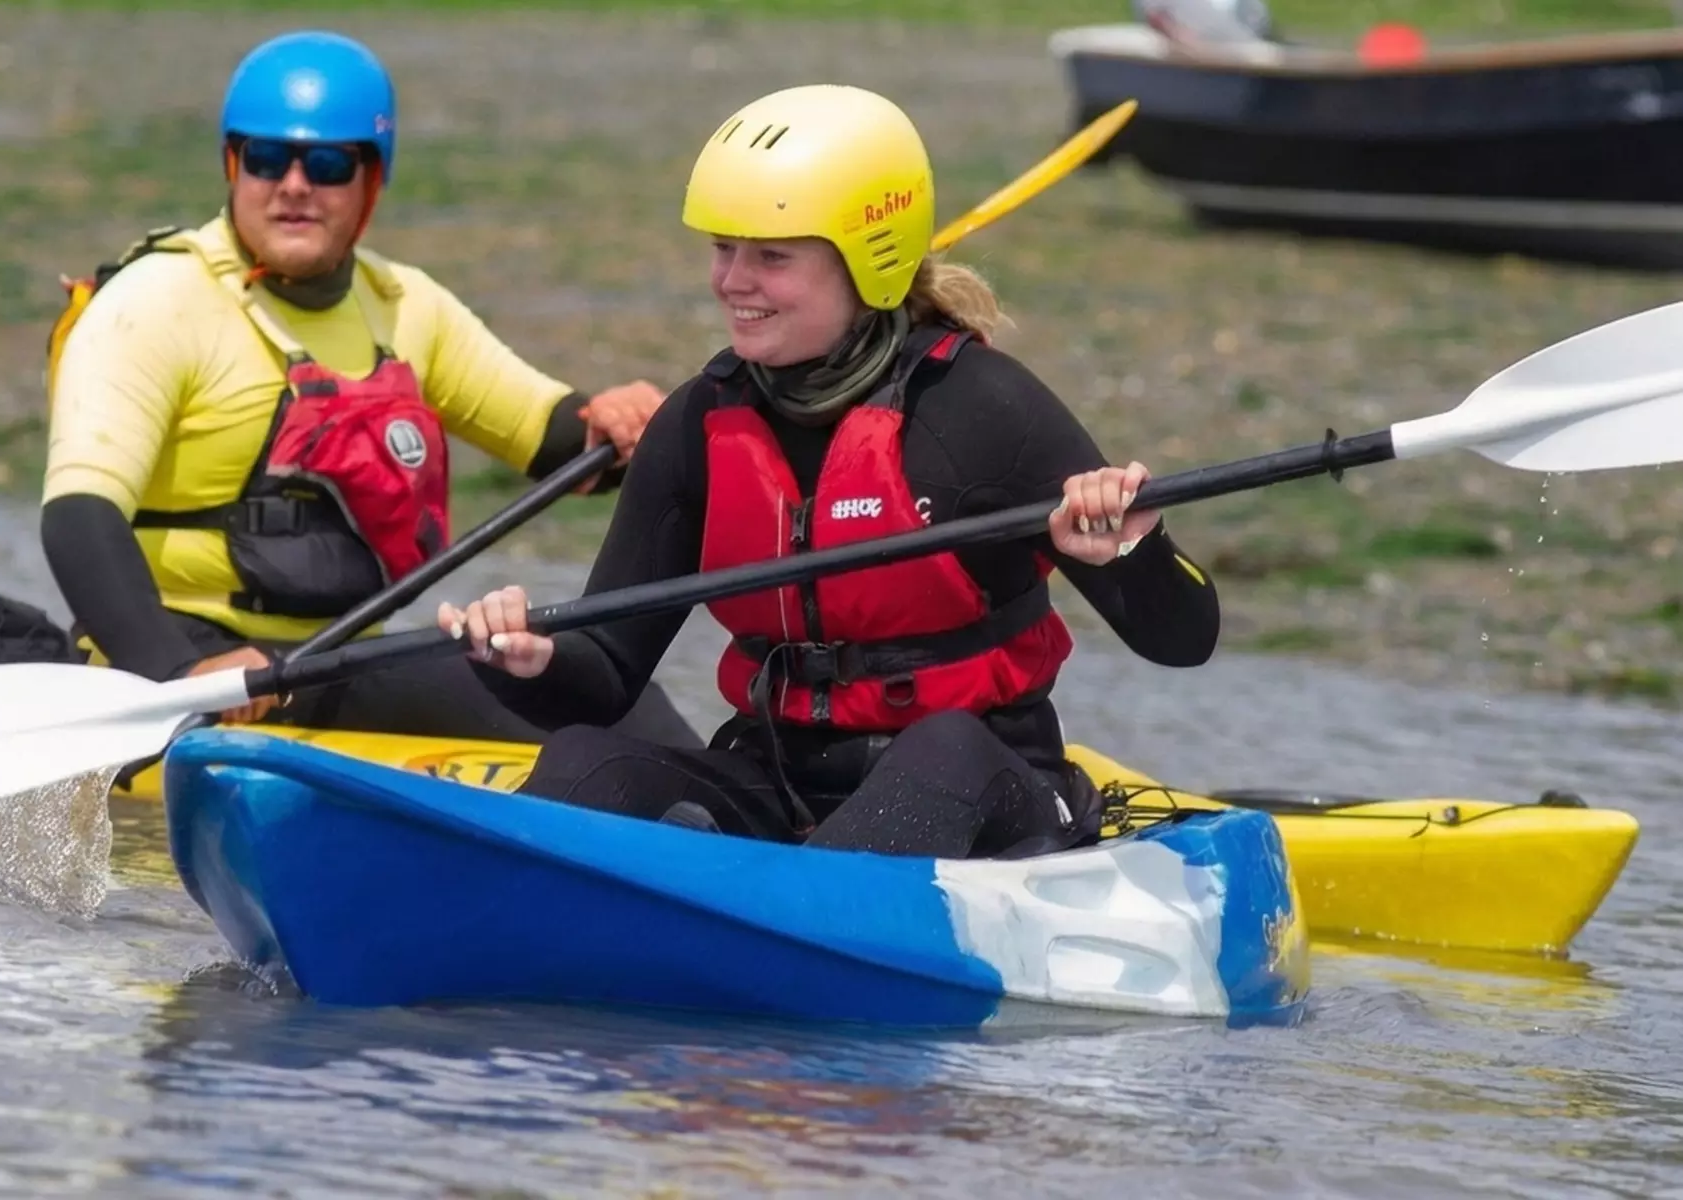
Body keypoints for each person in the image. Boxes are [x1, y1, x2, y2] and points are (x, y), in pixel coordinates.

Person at [436, 84, 1221, 859]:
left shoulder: (983, 408)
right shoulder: (697, 424)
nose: (731, 281)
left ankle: (767, 918)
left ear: (866, 264)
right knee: (586, 758)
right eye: (722, 249)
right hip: (776, 782)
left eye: (771, 257)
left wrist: (1131, 550)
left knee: (942, 747)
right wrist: (530, 660)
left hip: (988, 788)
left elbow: (1184, 640)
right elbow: (606, 674)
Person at [39, 29, 696, 746]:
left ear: (370, 181)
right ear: (233, 165)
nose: (293, 184)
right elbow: (79, 516)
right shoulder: (154, 301)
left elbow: (552, 438)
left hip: (333, 661)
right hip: (174, 668)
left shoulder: (404, 303)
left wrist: (620, 421)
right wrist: (181, 672)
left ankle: (739, 841)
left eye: (326, 164)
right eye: (265, 158)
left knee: (617, 709)